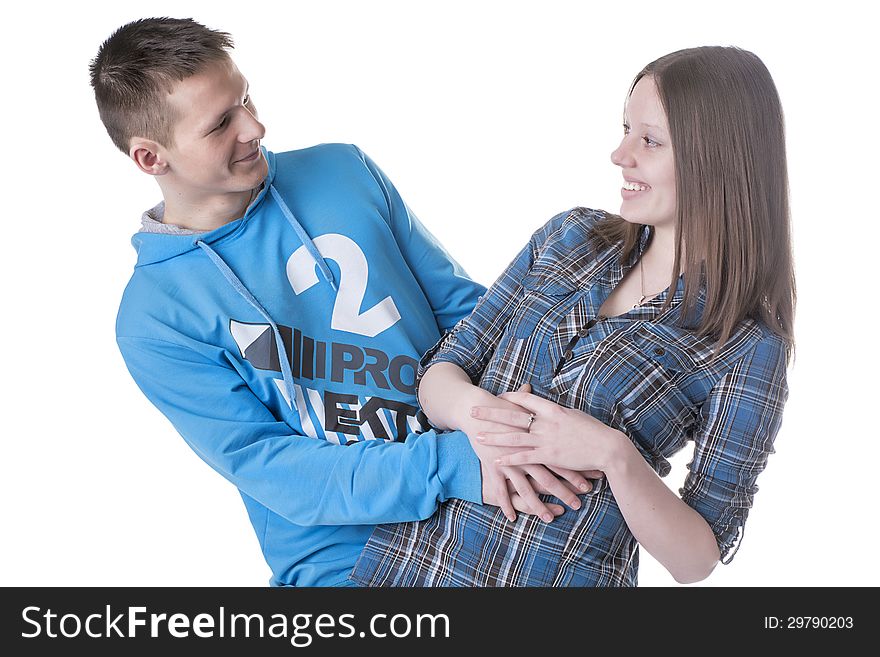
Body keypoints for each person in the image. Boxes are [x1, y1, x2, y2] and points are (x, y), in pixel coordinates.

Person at [91, 17, 592, 587]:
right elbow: (278, 471)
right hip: (350, 564)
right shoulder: (154, 319)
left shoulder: (341, 171)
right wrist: (456, 465)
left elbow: (468, 316)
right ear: (151, 159)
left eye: (246, 99)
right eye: (221, 123)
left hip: (493, 494)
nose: (255, 126)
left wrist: (515, 423)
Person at [350, 46, 795, 587]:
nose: (620, 154)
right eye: (626, 129)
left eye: (650, 141)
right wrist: (478, 418)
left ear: (719, 159)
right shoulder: (570, 238)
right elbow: (442, 372)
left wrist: (615, 454)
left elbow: (696, 558)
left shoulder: (747, 344)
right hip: (409, 572)